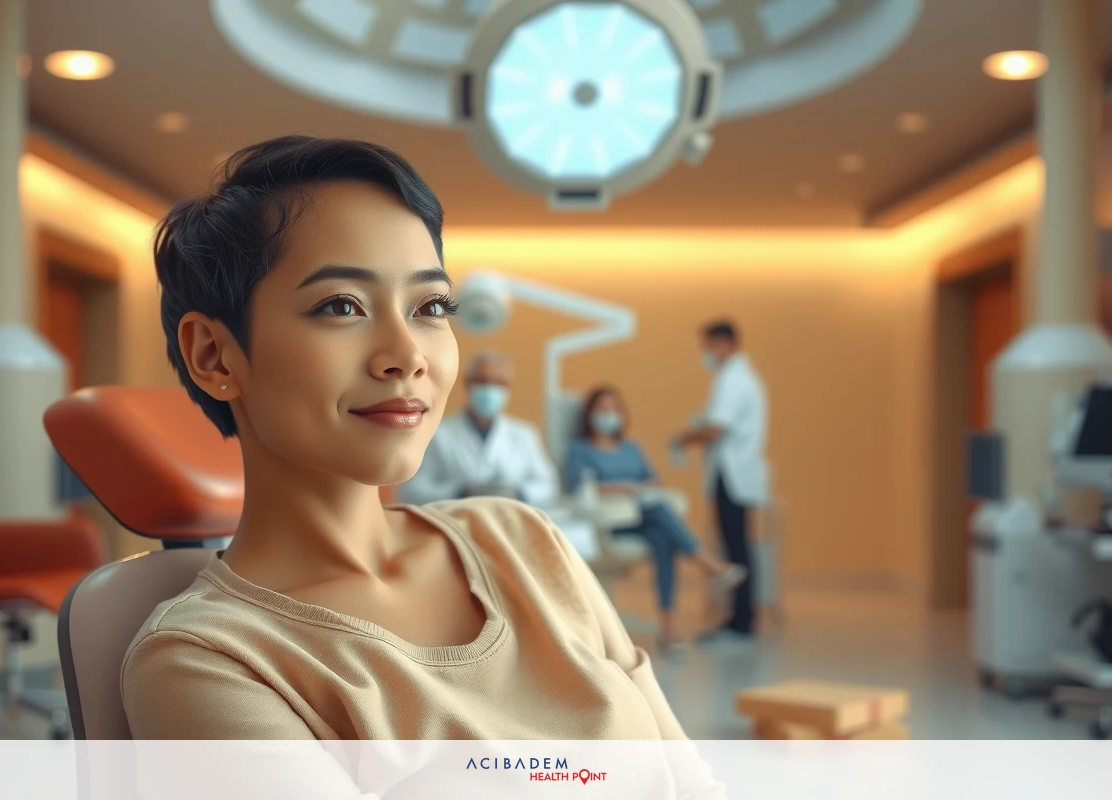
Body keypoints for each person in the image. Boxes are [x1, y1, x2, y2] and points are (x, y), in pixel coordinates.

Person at [121, 134, 720, 762]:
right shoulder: (210, 662)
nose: (408, 357)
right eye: (342, 306)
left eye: (431, 306)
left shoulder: (524, 541)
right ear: (214, 355)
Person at [566, 386, 745, 652]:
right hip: (609, 525)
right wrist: (623, 487)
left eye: (613, 409)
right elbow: (579, 489)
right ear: (589, 414)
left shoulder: (631, 448)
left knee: (662, 535)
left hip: (642, 520)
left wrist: (645, 487)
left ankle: (669, 630)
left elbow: (653, 480)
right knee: (659, 514)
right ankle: (708, 565)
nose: (608, 415)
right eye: (602, 409)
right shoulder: (579, 450)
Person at [672, 320, 769, 644]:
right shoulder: (740, 378)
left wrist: (685, 437)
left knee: (736, 548)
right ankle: (740, 618)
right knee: (737, 546)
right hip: (736, 471)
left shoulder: (733, 380)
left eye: (708, 346)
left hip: (733, 472)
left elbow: (716, 428)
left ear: (724, 343)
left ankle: (740, 623)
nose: (705, 354)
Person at [396, 352, 559, 507]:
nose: (489, 389)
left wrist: (518, 493)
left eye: (498, 382)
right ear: (467, 384)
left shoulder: (524, 435)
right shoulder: (438, 433)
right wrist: (461, 492)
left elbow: (548, 486)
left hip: (509, 524)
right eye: (482, 381)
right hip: (453, 524)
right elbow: (412, 489)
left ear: (508, 388)